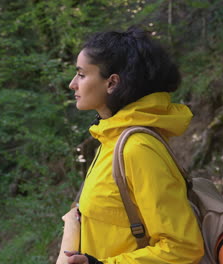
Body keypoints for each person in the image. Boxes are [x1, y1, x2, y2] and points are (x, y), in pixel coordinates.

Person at [64, 26, 205, 264]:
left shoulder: (137, 148)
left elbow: (182, 248)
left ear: (112, 83)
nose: (72, 84)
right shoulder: (111, 138)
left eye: (81, 74)